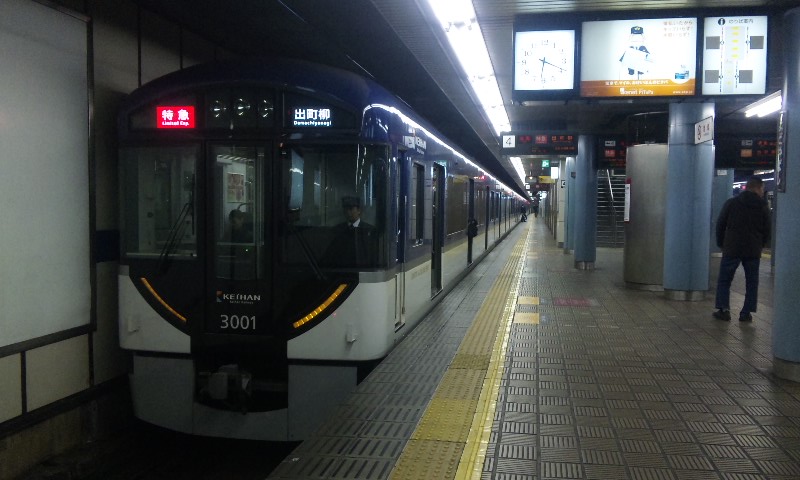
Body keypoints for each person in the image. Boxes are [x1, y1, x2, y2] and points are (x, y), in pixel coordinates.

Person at [712, 177, 771, 322]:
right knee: (752, 282)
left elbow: (720, 224)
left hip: (732, 247)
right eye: (762, 189)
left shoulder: (732, 203)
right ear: (757, 188)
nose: (762, 192)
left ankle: (724, 310)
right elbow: (767, 229)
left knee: (725, 280)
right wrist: (761, 244)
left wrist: (721, 243)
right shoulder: (763, 206)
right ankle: (746, 313)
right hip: (753, 249)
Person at [322, 196, 376, 267]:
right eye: (345, 209)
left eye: (351, 209)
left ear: (359, 210)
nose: (348, 212)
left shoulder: (369, 230)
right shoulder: (337, 230)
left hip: (363, 268)